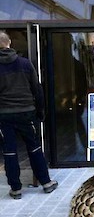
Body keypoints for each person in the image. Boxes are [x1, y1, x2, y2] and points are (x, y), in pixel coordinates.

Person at [0, 31, 58, 199]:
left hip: (4, 116)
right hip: (26, 112)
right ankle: (46, 182)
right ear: (9, 42)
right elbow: (37, 89)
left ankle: (16, 189)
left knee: (9, 152)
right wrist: (40, 112)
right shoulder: (25, 64)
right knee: (34, 148)